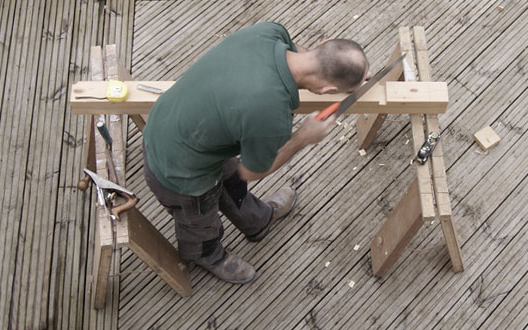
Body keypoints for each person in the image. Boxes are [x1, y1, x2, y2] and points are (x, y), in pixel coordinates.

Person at [142, 22, 369, 284]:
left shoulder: (267, 32)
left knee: (232, 182)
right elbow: (253, 170)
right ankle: (208, 254)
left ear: (323, 42)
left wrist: (357, 71)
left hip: (188, 127)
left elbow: (240, 173)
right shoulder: (270, 114)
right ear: (329, 91)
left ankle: (256, 222)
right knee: (199, 220)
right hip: (176, 169)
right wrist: (304, 137)